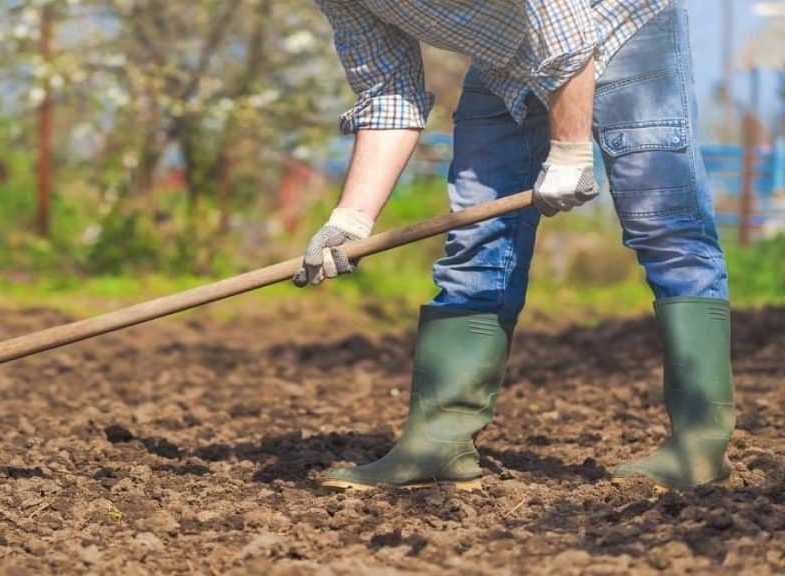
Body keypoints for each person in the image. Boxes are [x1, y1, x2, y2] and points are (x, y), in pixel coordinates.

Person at [297, 0, 734, 490]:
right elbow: (388, 94)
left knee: (664, 223)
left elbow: (563, 23)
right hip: (507, 56)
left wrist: (569, 151)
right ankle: (438, 441)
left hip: (618, 20)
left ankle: (699, 445)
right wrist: (351, 219)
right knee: (475, 235)